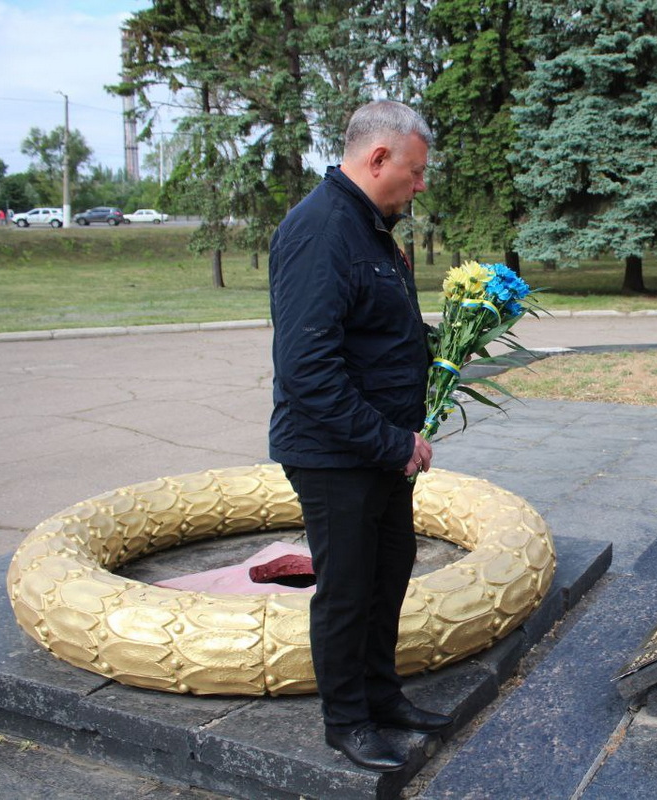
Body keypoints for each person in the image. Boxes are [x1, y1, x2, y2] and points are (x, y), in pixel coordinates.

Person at [268, 99, 451, 773]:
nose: (421, 184)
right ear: (378, 159)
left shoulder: (370, 227)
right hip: (336, 454)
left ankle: (382, 695)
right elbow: (308, 371)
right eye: (415, 170)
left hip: (376, 451)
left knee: (387, 573)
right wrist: (392, 442)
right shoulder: (322, 230)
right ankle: (346, 721)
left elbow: (372, 331)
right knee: (348, 590)